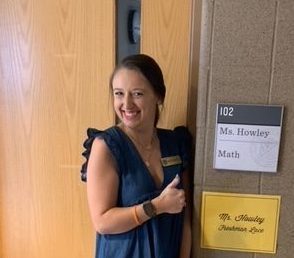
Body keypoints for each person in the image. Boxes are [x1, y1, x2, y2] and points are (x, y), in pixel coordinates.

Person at [81, 54, 192, 258]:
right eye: (119, 94)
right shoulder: (107, 147)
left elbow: (185, 220)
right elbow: (102, 222)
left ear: (158, 96)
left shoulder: (175, 143)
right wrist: (157, 206)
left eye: (137, 94)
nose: (127, 104)